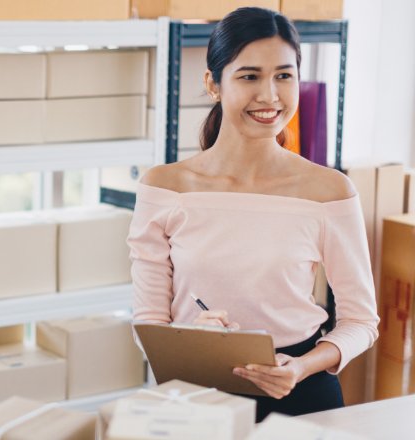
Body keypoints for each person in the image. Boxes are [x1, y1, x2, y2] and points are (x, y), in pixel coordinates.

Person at [127, 7, 379, 421]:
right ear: (213, 83)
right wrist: (189, 339)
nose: (270, 95)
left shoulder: (329, 191)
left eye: (284, 75)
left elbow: (361, 322)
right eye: (249, 76)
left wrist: (300, 367)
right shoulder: (165, 187)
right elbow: (149, 322)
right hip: (196, 394)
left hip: (300, 394)